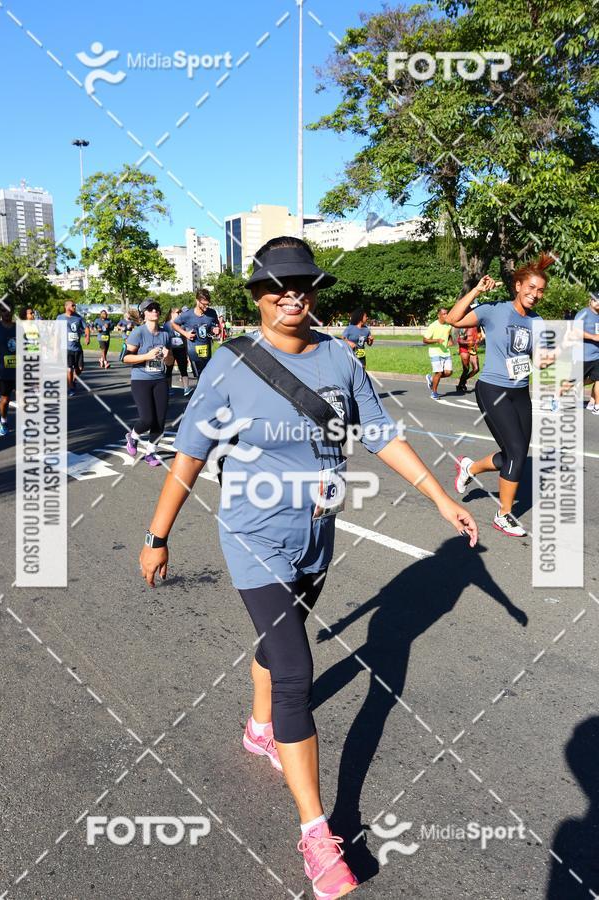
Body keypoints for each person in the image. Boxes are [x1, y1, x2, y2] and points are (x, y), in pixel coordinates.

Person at [139, 236, 478, 899]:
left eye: (303, 283)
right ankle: (318, 837)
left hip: (317, 539)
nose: (292, 293)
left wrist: (440, 497)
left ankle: (260, 728)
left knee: (280, 640)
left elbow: (379, 433)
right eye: (277, 285)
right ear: (257, 296)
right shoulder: (230, 368)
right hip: (252, 534)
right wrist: (157, 535)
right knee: (296, 667)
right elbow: (189, 456)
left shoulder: (339, 359)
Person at [448, 255, 555, 537]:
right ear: (518, 285)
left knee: (513, 453)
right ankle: (503, 514)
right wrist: (476, 291)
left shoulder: (537, 321)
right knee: (517, 453)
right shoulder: (494, 310)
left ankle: (470, 467)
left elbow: (538, 357)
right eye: (530, 288)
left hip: (520, 392)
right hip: (493, 389)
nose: (535, 294)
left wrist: (546, 360)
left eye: (540, 290)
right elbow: (453, 318)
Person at [122, 298, 173, 467]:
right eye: (150, 309)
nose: (154, 311)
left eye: (157, 308)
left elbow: (170, 362)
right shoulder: (138, 332)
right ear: (144, 313)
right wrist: (146, 356)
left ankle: (150, 453)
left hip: (160, 380)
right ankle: (133, 436)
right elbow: (125, 358)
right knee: (147, 419)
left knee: (159, 421)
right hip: (141, 380)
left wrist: (168, 356)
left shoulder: (165, 334)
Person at [172, 288, 219, 383]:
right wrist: (185, 334)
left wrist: (215, 330)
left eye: (208, 304)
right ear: (197, 301)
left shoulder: (212, 313)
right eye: (204, 304)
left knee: (207, 376)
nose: (206, 306)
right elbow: (174, 324)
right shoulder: (187, 315)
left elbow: (215, 326)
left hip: (207, 351)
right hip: (193, 352)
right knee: (201, 378)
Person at [568, 295, 599, 414]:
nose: (598, 302)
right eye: (595, 300)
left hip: (596, 355)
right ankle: (556, 397)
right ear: (590, 301)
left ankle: (595, 405)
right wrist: (593, 337)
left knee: (596, 379)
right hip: (581, 355)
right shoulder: (583, 313)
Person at [56, 300, 90, 396]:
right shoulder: (60, 318)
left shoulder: (78, 317)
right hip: (66, 348)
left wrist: (87, 337)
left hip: (77, 348)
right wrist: (55, 348)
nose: (74, 307)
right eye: (72, 305)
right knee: (69, 369)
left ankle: (74, 379)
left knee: (80, 368)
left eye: (74, 305)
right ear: (66, 306)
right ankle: (70, 388)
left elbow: (86, 328)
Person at [423, 307, 453, 399]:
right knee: (439, 373)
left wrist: (450, 340)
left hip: (446, 352)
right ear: (438, 315)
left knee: (449, 373)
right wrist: (436, 340)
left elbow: (449, 334)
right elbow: (425, 340)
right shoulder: (433, 326)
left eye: (446, 313)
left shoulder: (448, 325)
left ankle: (431, 379)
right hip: (435, 352)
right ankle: (434, 393)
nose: (446, 315)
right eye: (444, 314)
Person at [163, 306, 192, 397]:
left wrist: (187, 352)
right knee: (169, 369)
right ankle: (169, 388)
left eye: (180, 312)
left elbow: (185, 338)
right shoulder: (167, 325)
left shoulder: (182, 325)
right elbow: (165, 339)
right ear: (172, 314)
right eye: (177, 312)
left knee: (183, 369)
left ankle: (186, 388)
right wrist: (168, 351)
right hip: (171, 349)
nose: (180, 314)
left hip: (181, 349)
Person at [0, 303, 16, 437]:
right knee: (5, 400)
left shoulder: (18, 328)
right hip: (3, 370)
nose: (7, 313)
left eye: (9, 311)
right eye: (4, 311)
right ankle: (3, 422)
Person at [456, 322, 482, 392]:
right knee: (466, 369)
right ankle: (461, 384)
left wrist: (479, 338)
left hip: (472, 348)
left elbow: (479, 333)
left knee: (476, 369)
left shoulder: (477, 324)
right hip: (464, 349)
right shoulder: (465, 327)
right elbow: (459, 340)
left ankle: (462, 381)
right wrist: (468, 342)